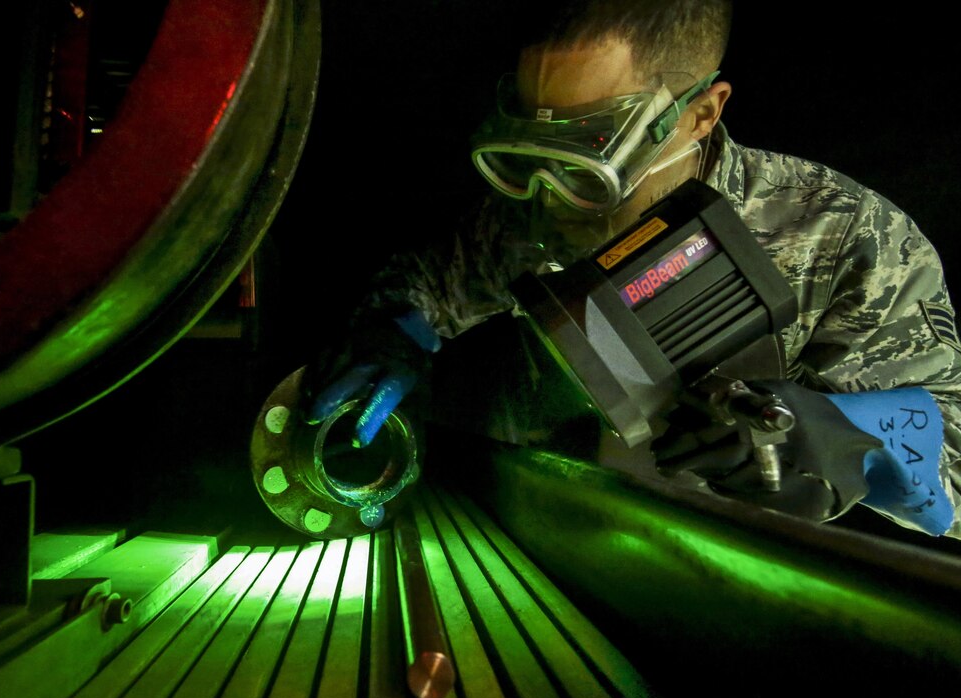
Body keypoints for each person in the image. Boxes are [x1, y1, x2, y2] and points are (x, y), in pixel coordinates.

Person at [303, 0, 961, 538]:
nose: (549, 190)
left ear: (700, 115)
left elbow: (951, 473)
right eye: (538, 139)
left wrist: (832, 439)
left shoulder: (848, 239)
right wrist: (397, 335)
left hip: (746, 597)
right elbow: (428, 282)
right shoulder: (533, 212)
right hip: (545, 554)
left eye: (589, 145)